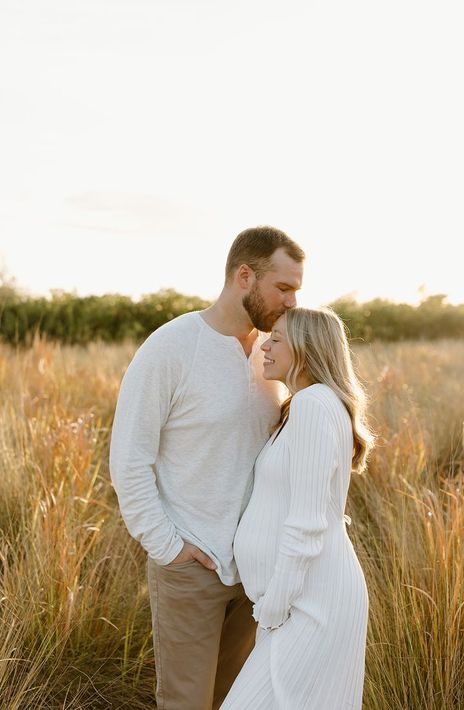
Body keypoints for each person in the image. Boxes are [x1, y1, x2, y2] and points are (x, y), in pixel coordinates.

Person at [109, 226, 305, 710]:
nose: (293, 302)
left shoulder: (274, 355)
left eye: (297, 289)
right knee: (186, 702)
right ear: (245, 276)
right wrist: (169, 547)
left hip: (255, 571)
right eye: (283, 288)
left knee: (237, 701)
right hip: (191, 566)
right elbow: (129, 461)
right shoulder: (170, 348)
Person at [221, 306, 375, 710]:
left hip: (309, 604)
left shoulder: (314, 405)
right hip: (296, 601)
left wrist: (273, 605)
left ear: (306, 348)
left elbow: (308, 522)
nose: (264, 345)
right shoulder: (304, 405)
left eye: (276, 338)